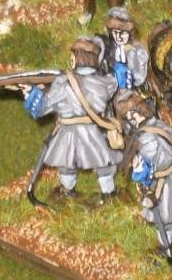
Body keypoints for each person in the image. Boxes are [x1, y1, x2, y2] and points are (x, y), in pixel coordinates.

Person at [23, 38, 120, 205]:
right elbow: (111, 88)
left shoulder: (63, 83)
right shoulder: (105, 82)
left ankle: (67, 190)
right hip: (95, 131)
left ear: (78, 58)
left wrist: (31, 94)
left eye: (73, 57)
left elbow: (43, 108)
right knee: (104, 163)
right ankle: (108, 192)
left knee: (67, 162)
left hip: (69, 133)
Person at [125, 95, 172, 267]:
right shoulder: (159, 125)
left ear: (139, 113)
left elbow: (149, 165)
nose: (130, 119)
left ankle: (166, 249)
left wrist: (137, 166)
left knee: (166, 216)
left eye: (131, 115)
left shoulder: (146, 138)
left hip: (163, 182)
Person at [103, 7, 150, 93]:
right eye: (114, 32)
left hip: (132, 89)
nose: (118, 36)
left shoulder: (138, 50)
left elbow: (139, 77)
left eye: (122, 32)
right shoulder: (109, 47)